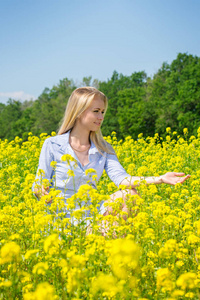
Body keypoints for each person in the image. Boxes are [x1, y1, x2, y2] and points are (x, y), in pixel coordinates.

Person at [33, 87, 190, 220]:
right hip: (63, 218)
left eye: (102, 112)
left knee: (130, 195)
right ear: (79, 112)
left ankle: (109, 249)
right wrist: (40, 191)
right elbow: (39, 183)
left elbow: (123, 179)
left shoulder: (104, 149)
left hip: (92, 215)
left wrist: (161, 179)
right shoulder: (53, 145)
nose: (101, 117)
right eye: (96, 111)